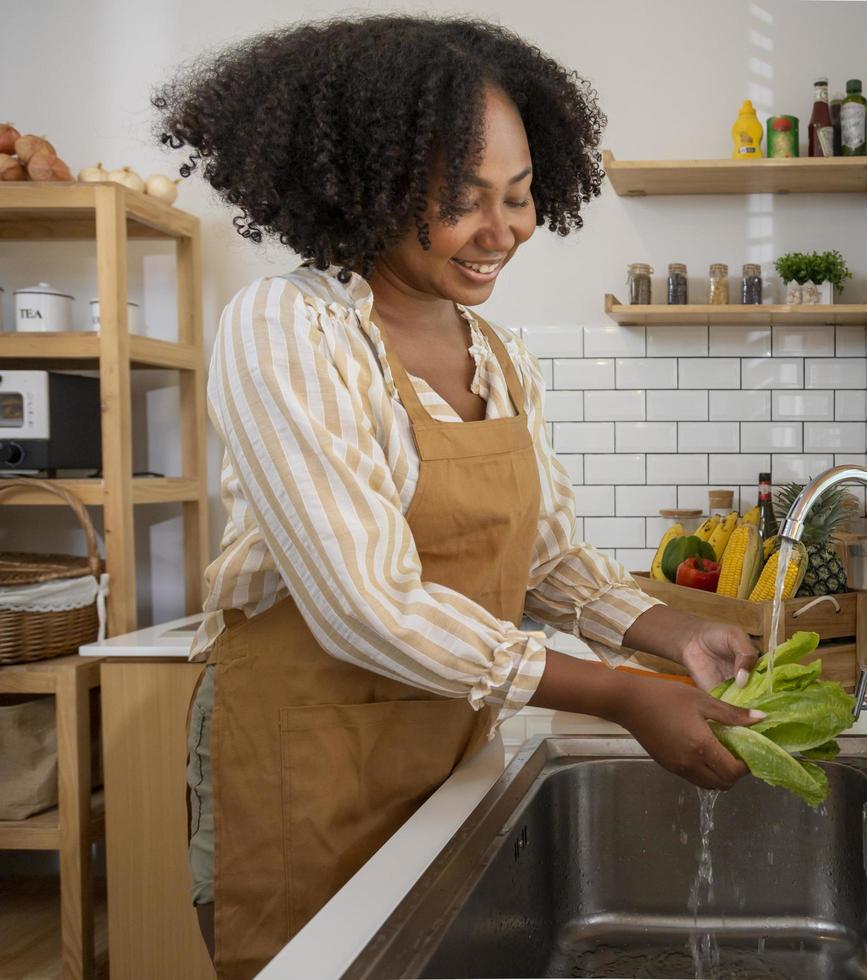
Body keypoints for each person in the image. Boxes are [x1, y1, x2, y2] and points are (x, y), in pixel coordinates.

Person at [153, 16, 763, 977]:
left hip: (444, 747)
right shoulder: (287, 330)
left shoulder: (503, 359)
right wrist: (619, 694)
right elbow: (368, 606)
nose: (503, 232)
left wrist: (668, 634)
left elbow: (549, 562)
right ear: (361, 187)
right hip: (305, 757)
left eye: (519, 198)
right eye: (458, 200)